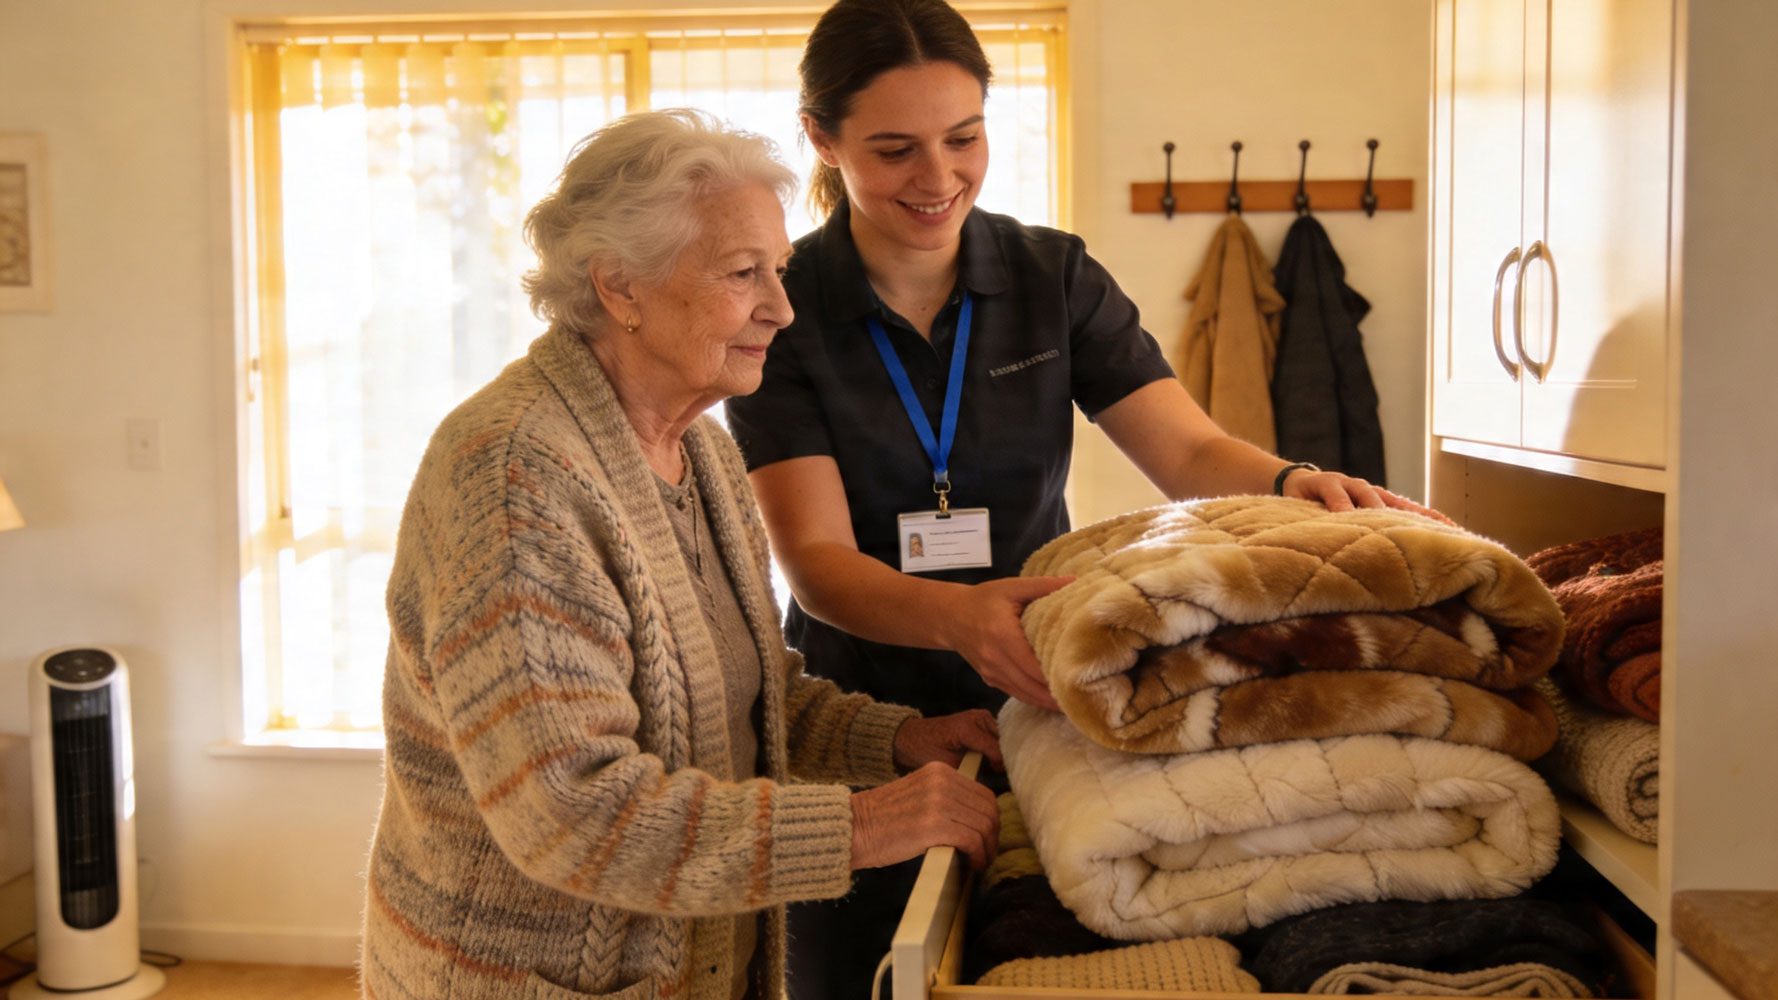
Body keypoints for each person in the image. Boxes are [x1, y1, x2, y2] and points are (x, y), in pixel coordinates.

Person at [721, 1, 1436, 995]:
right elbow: (818, 565)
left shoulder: (1048, 275)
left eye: (962, 138)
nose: (937, 179)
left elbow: (1184, 449)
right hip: (859, 717)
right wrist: (959, 620)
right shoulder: (785, 304)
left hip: (1046, 695)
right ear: (821, 139)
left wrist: (1287, 480)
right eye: (894, 150)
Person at [360, 109, 1004, 1000]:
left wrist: (899, 740)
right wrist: (859, 826)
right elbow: (573, 812)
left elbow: (742, 699)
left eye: (778, 272)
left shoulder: (697, 447)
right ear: (620, 288)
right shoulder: (514, 478)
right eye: (745, 275)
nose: (781, 307)